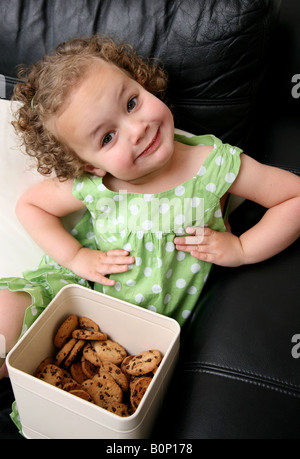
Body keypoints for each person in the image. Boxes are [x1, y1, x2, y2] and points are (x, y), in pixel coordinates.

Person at [1, 36, 300, 383]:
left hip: (150, 336)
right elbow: (32, 205)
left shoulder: (214, 167)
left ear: (142, 84)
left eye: (131, 103)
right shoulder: (98, 184)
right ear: (91, 165)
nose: (138, 129)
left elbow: (293, 197)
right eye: (107, 138)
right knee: (7, 314)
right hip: (80, 299)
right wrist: (77, 256)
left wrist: (243, 249)